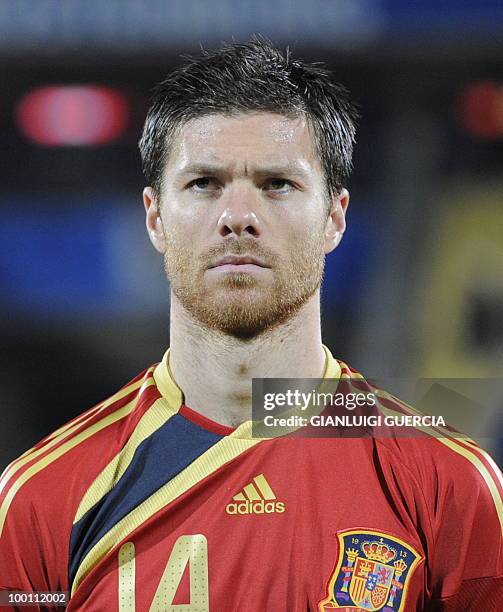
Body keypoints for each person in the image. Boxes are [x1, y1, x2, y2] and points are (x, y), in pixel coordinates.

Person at [0, 38, 501, 612]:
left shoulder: (448, 484)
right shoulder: (42, 499)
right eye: (204, 183)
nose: (238, 218)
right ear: (155, 218)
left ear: (335, 217)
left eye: (277, 184)